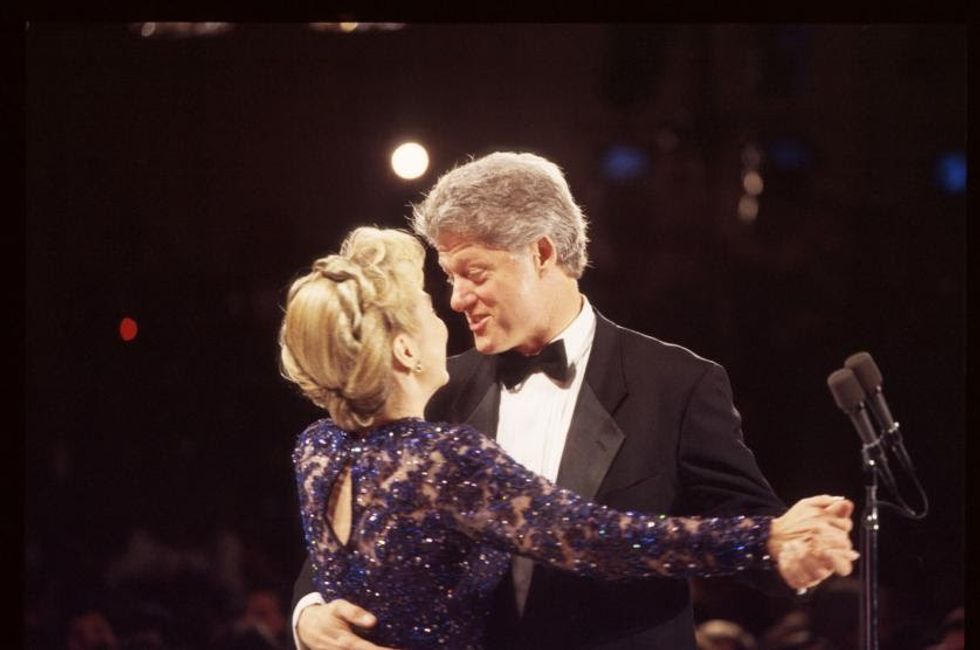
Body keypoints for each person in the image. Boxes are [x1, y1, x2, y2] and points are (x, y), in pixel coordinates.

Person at [281, 223, 857, 650]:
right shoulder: (446, 441)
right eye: (441, 290)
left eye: (472, 274)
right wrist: (308, 616)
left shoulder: (315, 446)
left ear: (541, 252)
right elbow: (598, 538)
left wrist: (782, 547)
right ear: (404, 350)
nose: (453, 305)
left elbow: (358, 545)